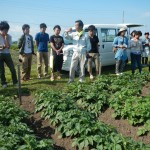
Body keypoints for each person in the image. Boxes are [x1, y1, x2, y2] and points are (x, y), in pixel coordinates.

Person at [0, 21, 18, 88]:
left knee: (12, 68)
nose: (6, 32)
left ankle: (15, 82)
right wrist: (3, 47)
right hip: (0, 54)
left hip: (7, 54)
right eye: (5, 30)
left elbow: (8, 46)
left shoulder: (9, 36)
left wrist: (5, 39)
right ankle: (4, 83)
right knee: (1, 70)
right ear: (1, 29)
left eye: (7, 30)